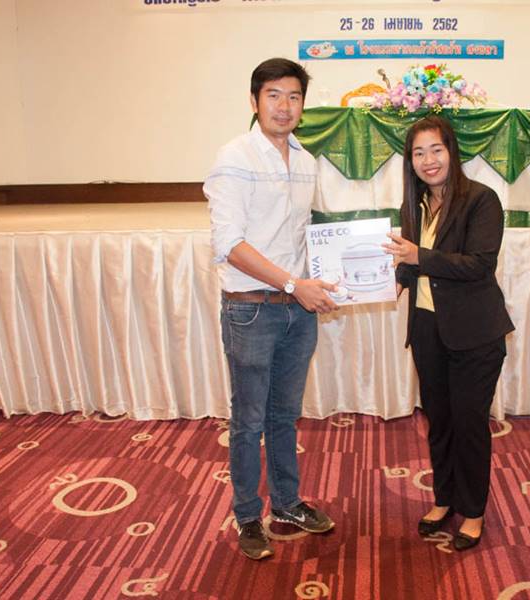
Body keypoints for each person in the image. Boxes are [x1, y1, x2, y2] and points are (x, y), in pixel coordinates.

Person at [203, 57, 338, 560]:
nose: (284, 106)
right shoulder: (234, 157)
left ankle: (286, 503)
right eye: (274, 95)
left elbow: (302, 237)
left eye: (294, 97)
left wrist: (332, 275)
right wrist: (293, 283)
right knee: (249, 420)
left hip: (297, 310)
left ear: (303, 104)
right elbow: (229, 244)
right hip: (251, 310)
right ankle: (246, 515)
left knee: (285, 415)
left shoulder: (306, 161)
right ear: (254, 100)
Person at [384, 115, 514, 551]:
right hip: (428, 330)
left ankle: (473, 510)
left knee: (469, 424)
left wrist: (418, 256)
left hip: (474, 334)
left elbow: (479, 264)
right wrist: (389, 281)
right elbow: (410, 265)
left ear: (452, 151)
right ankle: (444, 499)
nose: (428, 160)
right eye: (418, 153)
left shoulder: (481, 200)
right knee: (438, 422)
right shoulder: (414, 204)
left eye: (436, 150)